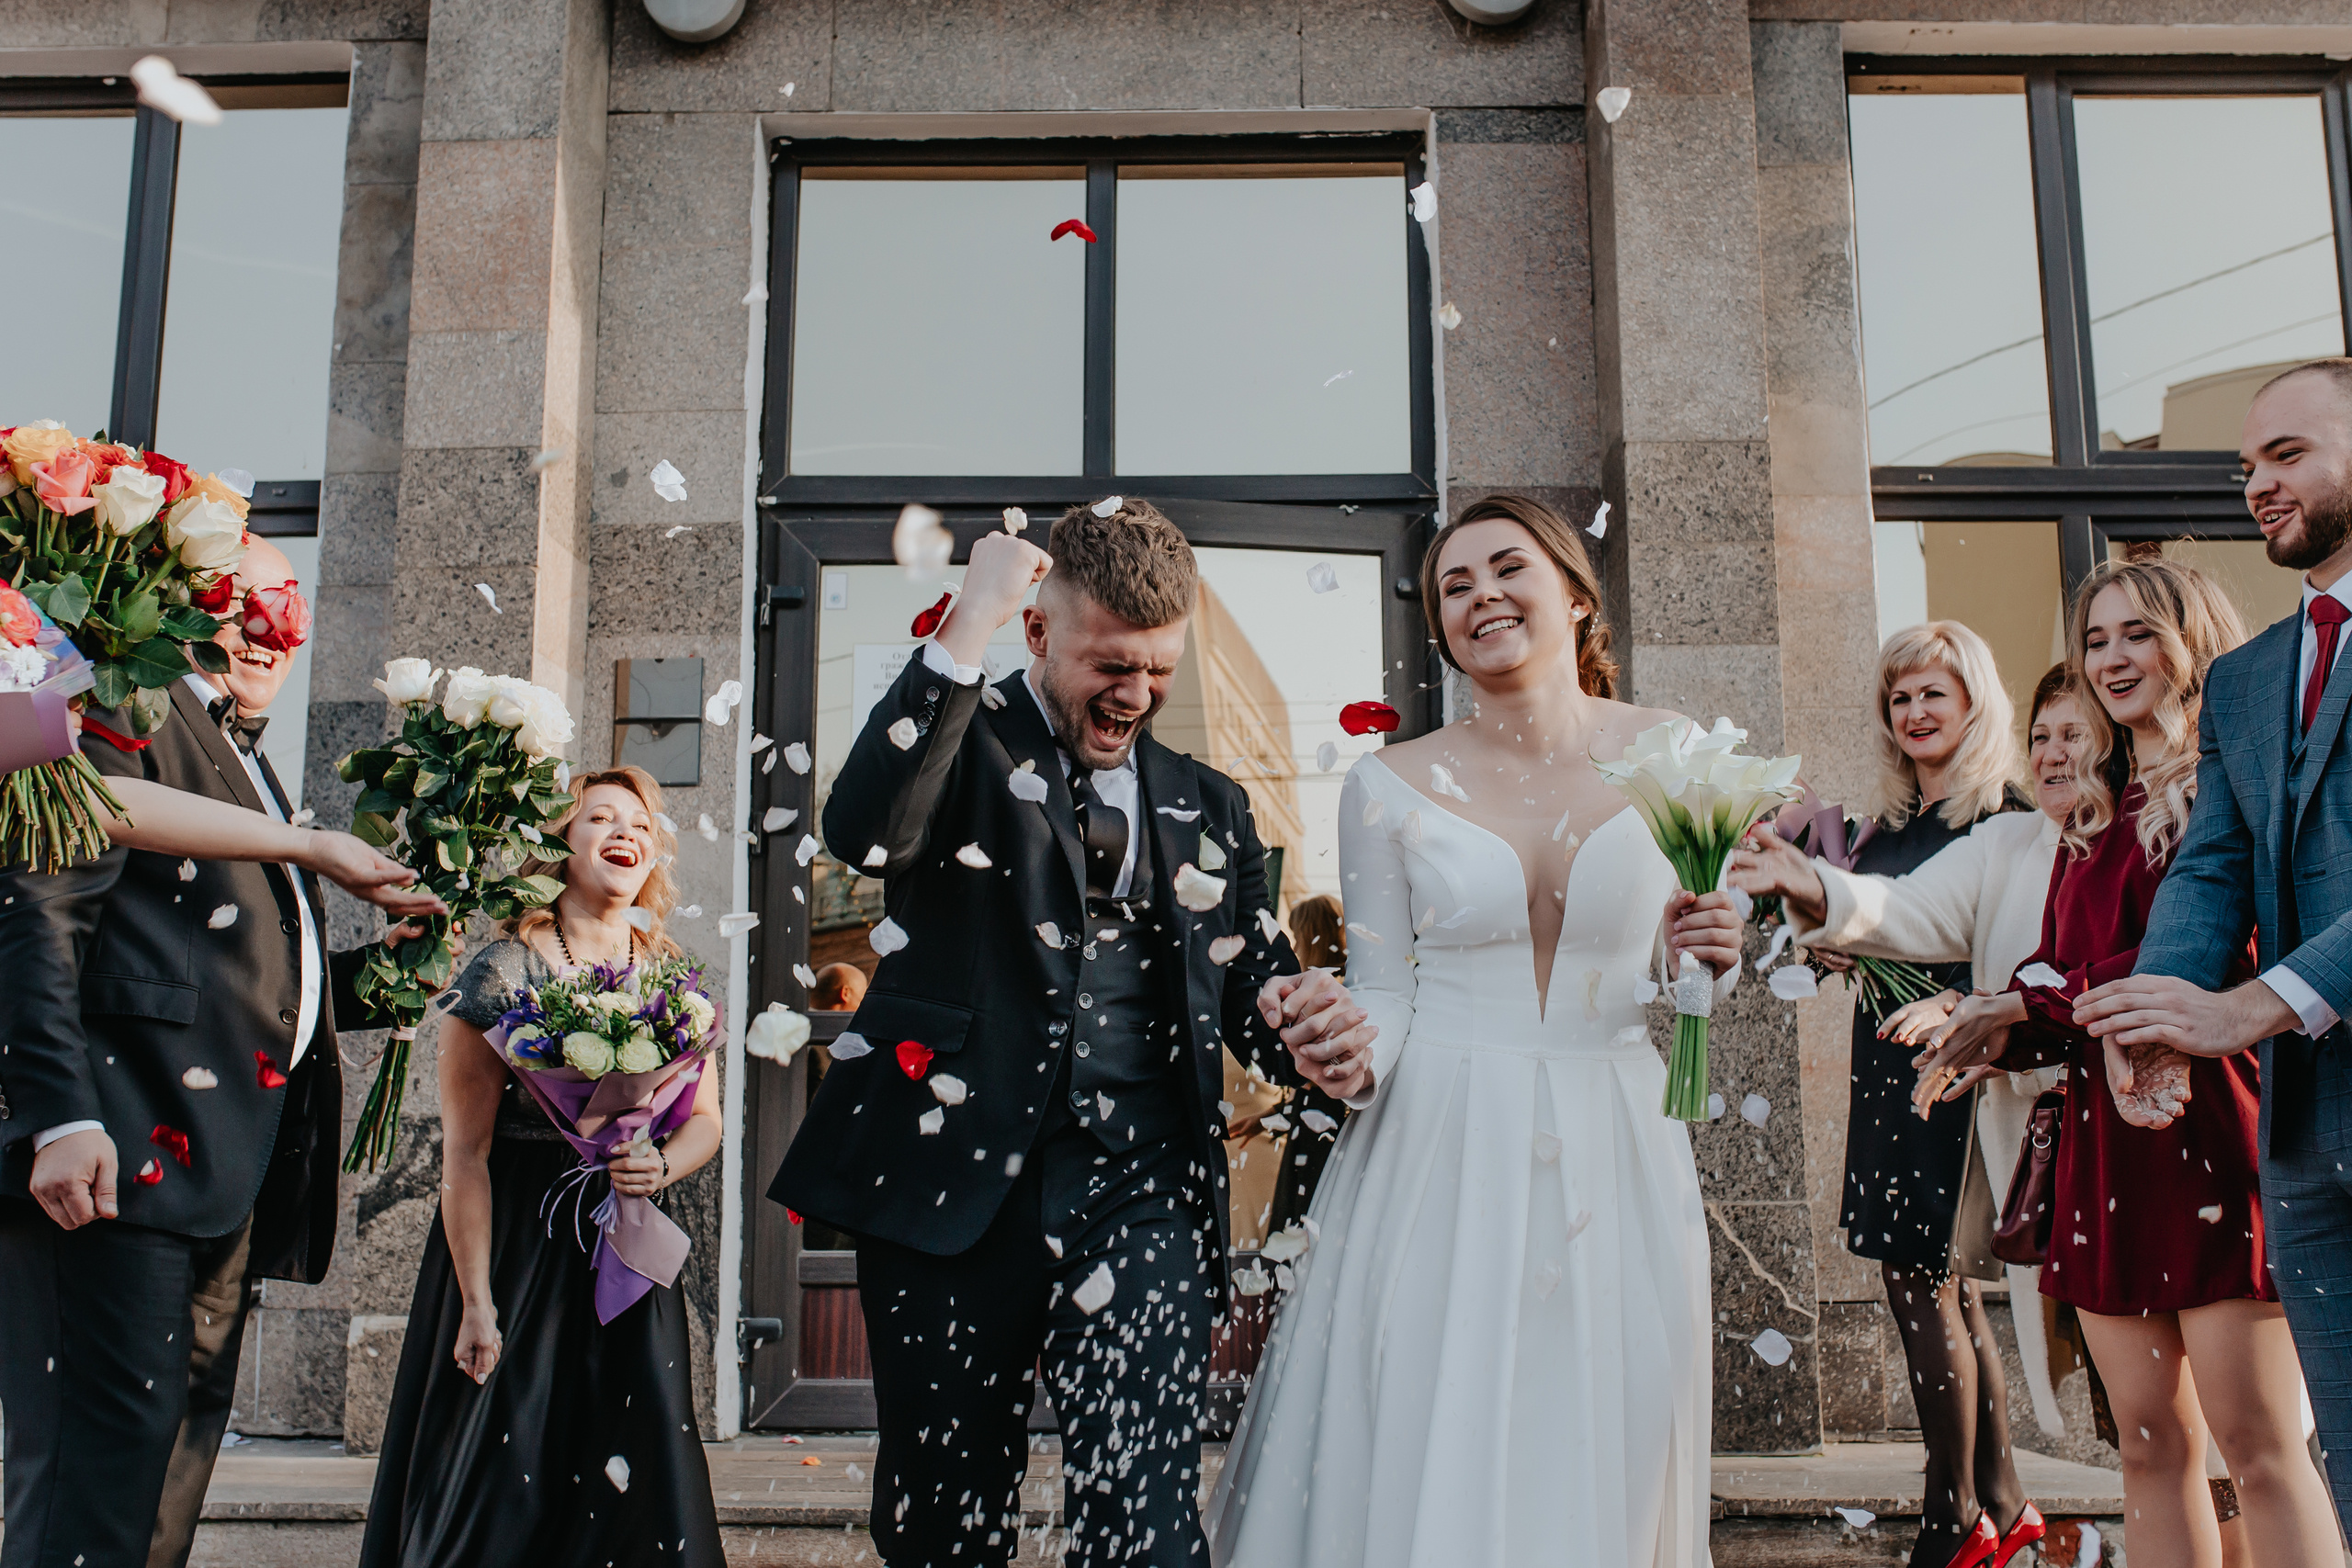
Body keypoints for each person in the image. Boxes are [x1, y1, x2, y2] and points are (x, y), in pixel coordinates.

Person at [769, 500, 1368, 1566]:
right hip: (951, 1192)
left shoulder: (1212, 806)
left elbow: (1255, 1000)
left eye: (1158, 670)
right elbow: (862, 828)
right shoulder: (960, 741)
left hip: (1142, 1193)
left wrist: (1303, 1019)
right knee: (944, 1519)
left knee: (1145, 1515)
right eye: (1109, 665)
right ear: (1039, 633)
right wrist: (976, 609)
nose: (1134, 696)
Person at [1207, 493, 1745, 1568]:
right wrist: (1344, 1046)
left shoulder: (1678, 755)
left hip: (1619, 1132)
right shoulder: (1383, 784)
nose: (1480, 596)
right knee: (1429, 1417)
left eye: (1508, 569)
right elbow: (1384, 994)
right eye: (1454, 586)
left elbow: (1678, 986)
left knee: (1610, 1420)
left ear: (1575, 597)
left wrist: (1707, 960)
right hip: (1438, 1145)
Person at [0, 541, 439, 1568]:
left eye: (287, 608)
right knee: (90, 1491)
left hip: (219, 1177)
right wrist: (57, 1117)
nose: (267, 631)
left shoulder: (247, 759)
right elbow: (37, 912)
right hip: (112, 1167)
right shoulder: (119, 712)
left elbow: (233, 986)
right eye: (240, 601)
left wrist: (387, 976)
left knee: (160, 1498)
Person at [1916, 556, 2339, 1568]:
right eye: (2095, 639)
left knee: (2261, 1446)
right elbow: (2059, 968)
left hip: (2220, 1122)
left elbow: (2239, 954)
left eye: (2136, 633)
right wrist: (2000, 1027)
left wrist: (2035, 998)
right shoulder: (2093, 811)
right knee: (2147, 1444)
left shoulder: (2238, 778)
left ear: (2190, 641)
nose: (2111, 657)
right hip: (2110, 1143)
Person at [2072, 358, 2352, 1537]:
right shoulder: (2247, 680)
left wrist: (2253, 1007)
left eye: (2286, 455)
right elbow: (2211, 871)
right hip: (2308, 1143)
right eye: (2247, 466)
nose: (2258, 485)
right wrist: (2156, 1018)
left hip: (2283, 1053)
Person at [1736, 661, 2104, 1556]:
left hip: (1964, 1065)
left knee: (1927, 1280)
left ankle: (1962, 1511)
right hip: (1886, 1060)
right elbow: (1880, 917)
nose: (1914, 712)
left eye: (1933, 694)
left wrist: (1953, 996)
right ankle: (1992, 1500)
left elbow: (2002, 946)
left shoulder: (2008, 817)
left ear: (1976, 705)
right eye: (1899, 698)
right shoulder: (1881, 828)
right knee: (1925, 1285)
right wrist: (1828, 936)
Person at [359, 765, 725, 1568]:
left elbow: (706, 1119)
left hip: (624, 1245)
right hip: (518, 1245)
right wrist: (478, 1300)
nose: (624, 831)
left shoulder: (672, 975)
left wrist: (657, 1165)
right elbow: (466, 1152)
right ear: (562, 841)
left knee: (633, 1476)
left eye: (639, 821)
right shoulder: (500, 971)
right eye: (600, 817)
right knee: (501, 1473)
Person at [1266, 895, 1349, 1236]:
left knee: (1304, 1213)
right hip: (1309, 1116)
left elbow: (1318, 1075)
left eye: (1299, 936)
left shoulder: (1333, 994)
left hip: (1323, 1126)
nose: (1297, 945)